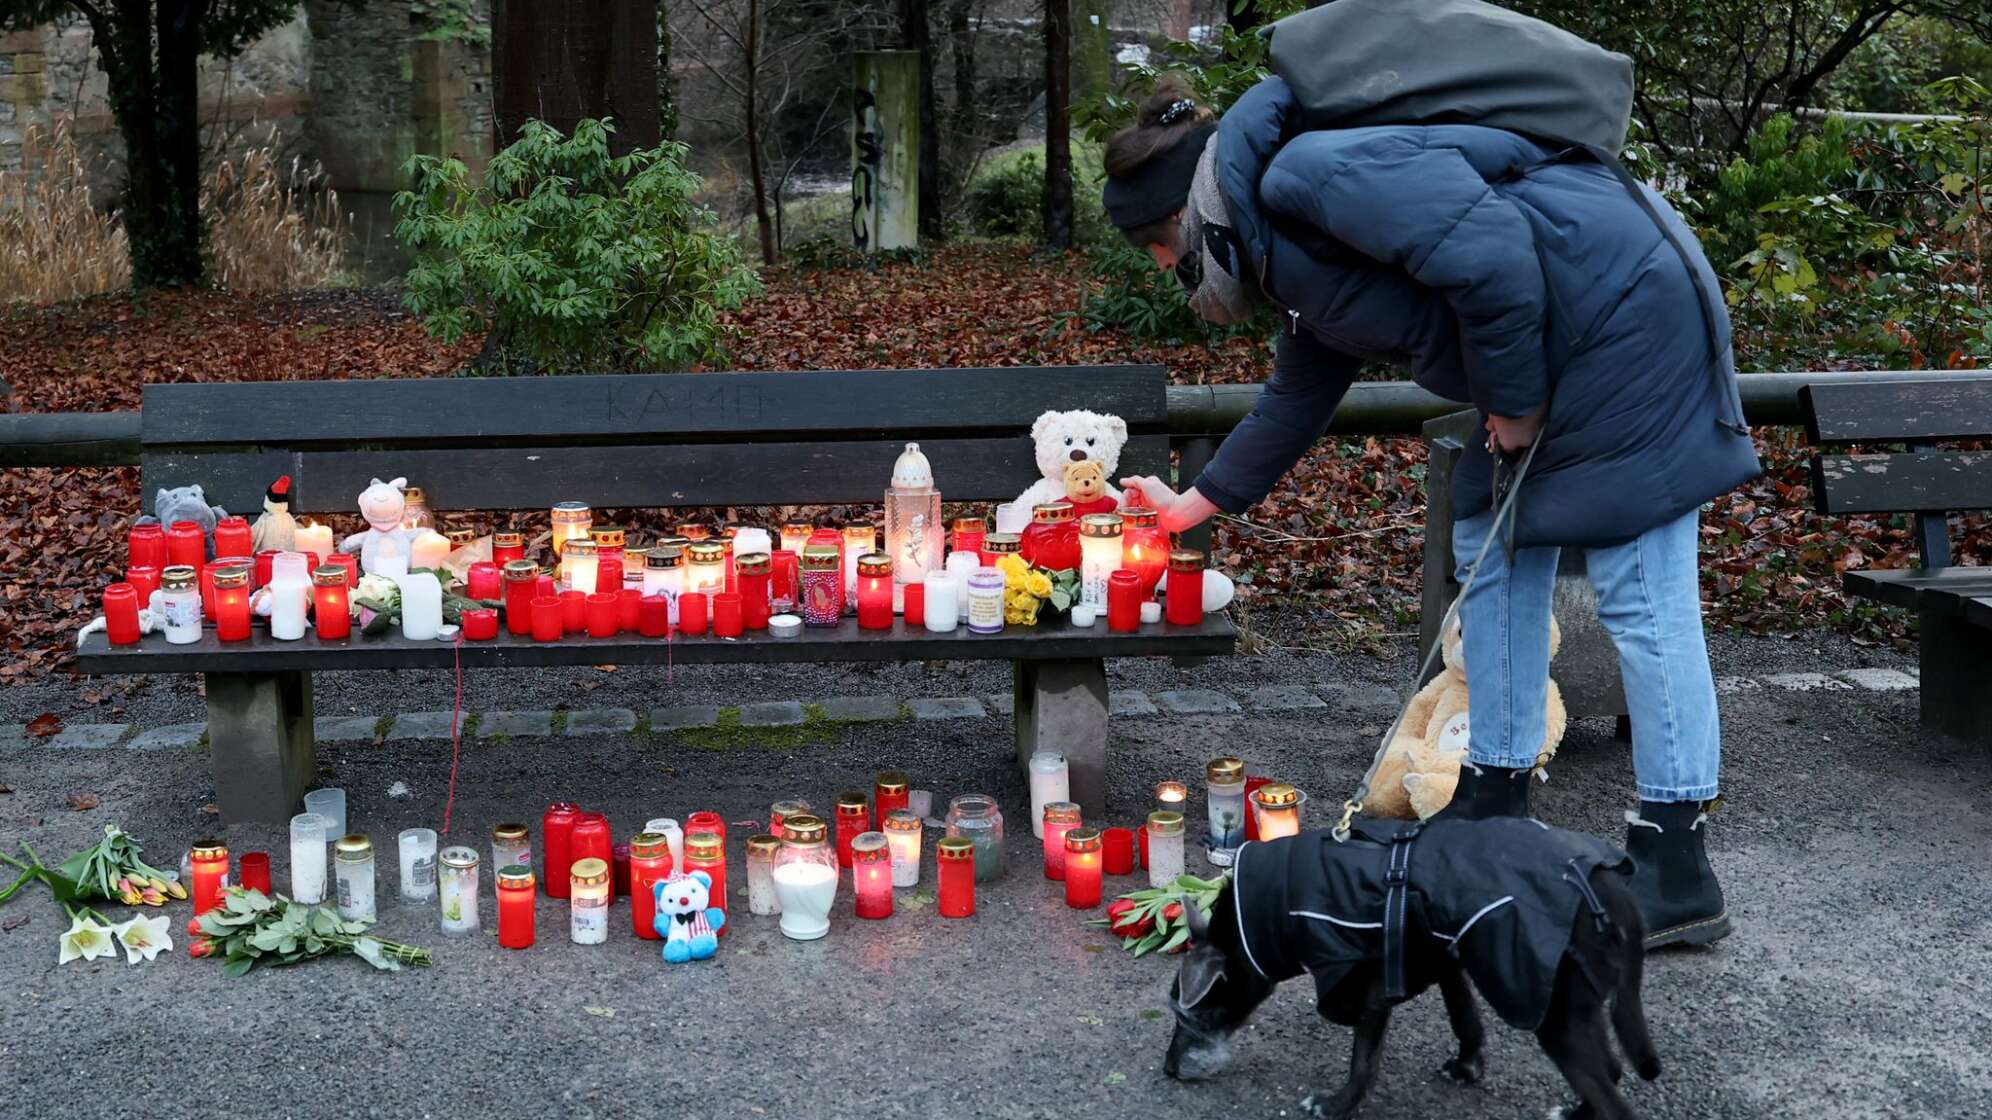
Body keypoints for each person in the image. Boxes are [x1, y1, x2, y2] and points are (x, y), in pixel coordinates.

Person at [1104, 76, 1761, 949]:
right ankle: (1490, 809)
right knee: (1490, 558)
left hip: (1626, 317)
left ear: (1185, 222)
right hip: (1546, 340)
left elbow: (1490, 255)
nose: (1173, 280)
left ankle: (1677, 867)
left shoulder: (1314, 178)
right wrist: (1191, 505)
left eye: (1162, 257)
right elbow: (1298, 391)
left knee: (1641, 591)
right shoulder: (1280, 239)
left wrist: (1517, 403)